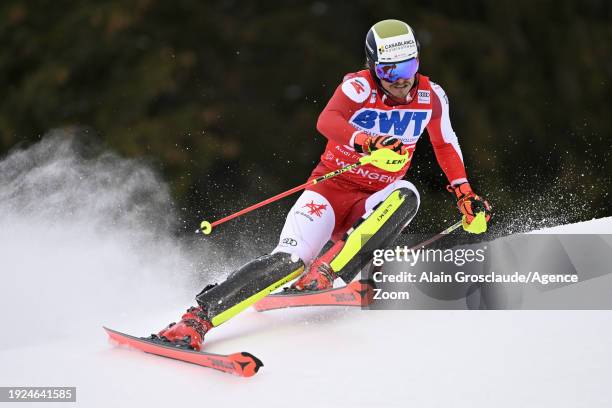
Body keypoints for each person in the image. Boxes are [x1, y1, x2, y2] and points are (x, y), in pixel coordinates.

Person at [152, 19, 491, 350]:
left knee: (408, 194)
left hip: (373, 202)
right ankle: (195, 321)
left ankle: (327, 272)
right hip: (328, 192)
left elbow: (445, 144)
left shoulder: (432, 96)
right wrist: (367, 142)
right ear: (373, 67)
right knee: (288, 261)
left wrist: (464, 194)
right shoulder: (358, 88)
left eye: (409, 67)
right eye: (390, 72)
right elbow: (327, 120)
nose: (401, 81)